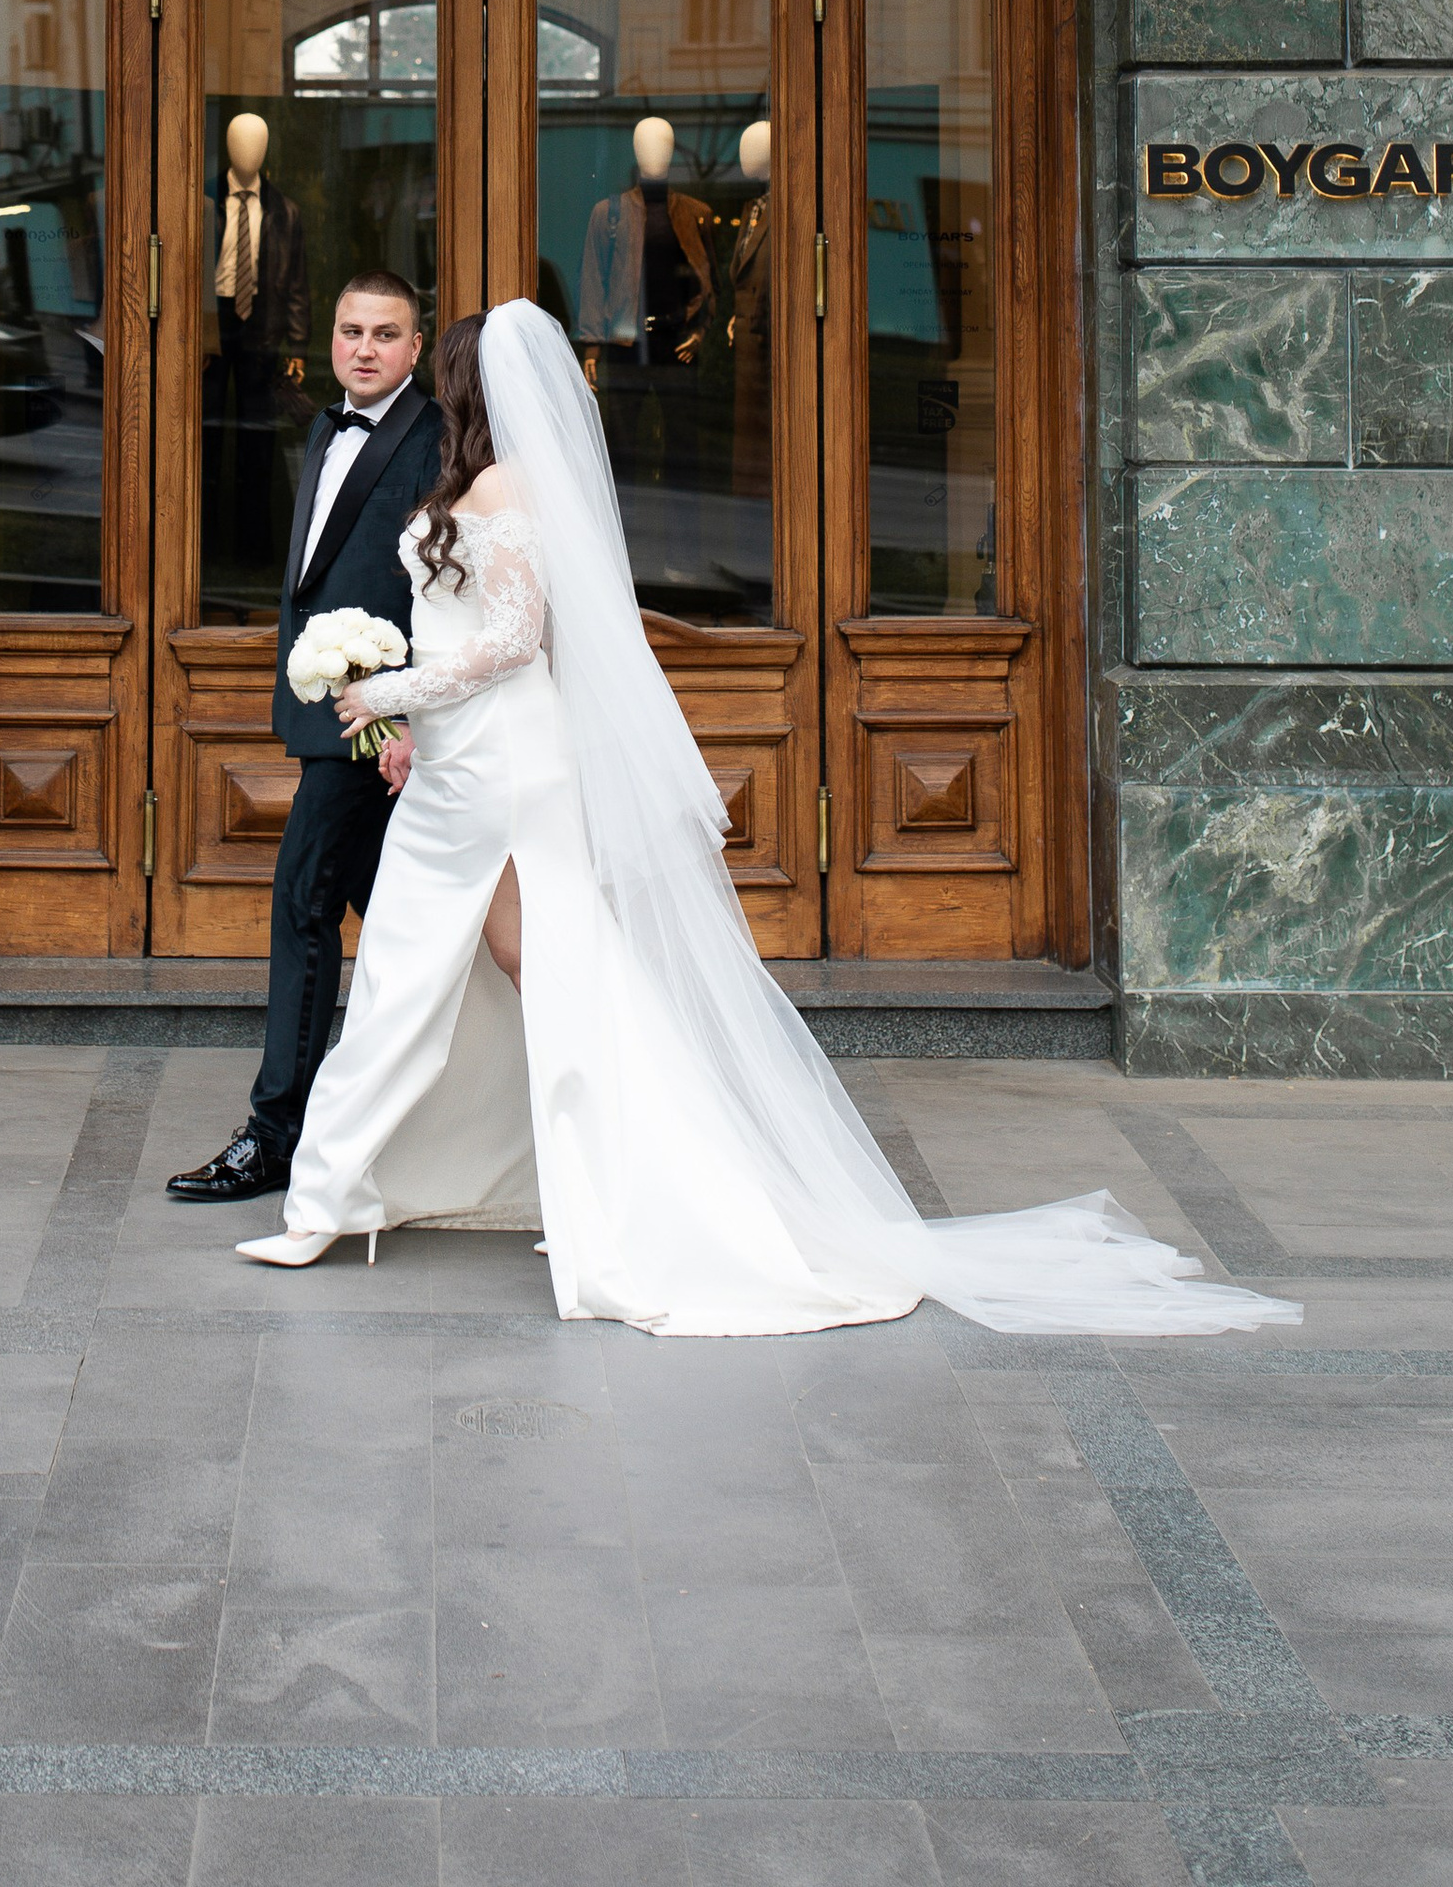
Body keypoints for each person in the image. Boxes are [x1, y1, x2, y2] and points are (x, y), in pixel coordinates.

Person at [231, 300, 1302, 1340]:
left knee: (444, 968)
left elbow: (514, 639)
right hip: (471, 762)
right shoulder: (481, 481)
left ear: (460, 381)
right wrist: (410, 706)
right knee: (514, 967)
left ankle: (354, 1198)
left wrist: (388, 692)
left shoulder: (506, 487)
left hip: (501, 771)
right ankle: (481, 1181)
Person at [165, 271, 442, 1206]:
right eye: (350, 330)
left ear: (417, 347)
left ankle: (275, 1134)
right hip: (327, 708)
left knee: (302, 902)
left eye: (386, 335)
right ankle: (434, 1115)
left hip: (378, 725)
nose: (363, 349)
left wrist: (402, 713)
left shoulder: (436, 442)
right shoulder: (326, 426)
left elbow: (443, 590)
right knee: (409, 923)